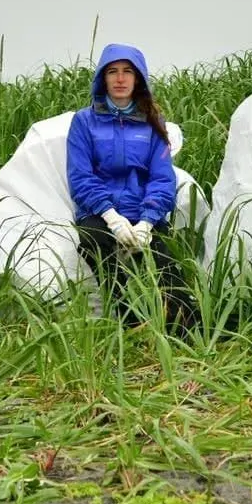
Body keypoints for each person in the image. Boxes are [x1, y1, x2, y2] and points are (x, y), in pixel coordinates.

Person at [66, 43, 197, 331]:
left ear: (138, 78)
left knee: (165, 263)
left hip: (142, 211)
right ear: (103, 78)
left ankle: (183, 328)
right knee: (94, 241)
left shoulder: (153, 123)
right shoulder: (84, 122)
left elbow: (162, 178)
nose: (120, 79)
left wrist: (148, 222)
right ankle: (129, 320)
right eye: (113, 72)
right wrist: (111, 218)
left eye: (127, 72)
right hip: (100, 213)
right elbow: (81, 177)